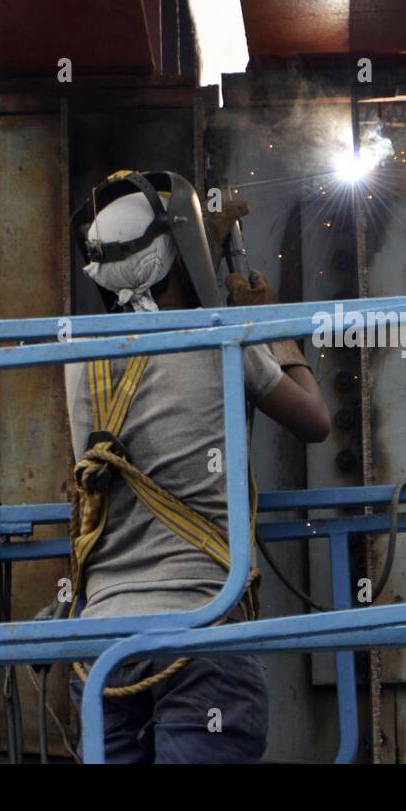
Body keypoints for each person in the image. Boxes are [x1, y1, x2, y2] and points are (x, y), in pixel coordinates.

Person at [65, 170, 329, 763]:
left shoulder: (78, 362)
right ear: (179, 257)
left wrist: (189, 253)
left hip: (102, 641)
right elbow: (314, 421)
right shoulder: (225, 344)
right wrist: (275, 327)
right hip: (199, 629)